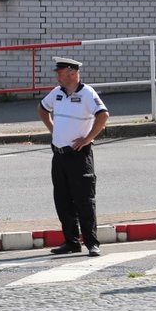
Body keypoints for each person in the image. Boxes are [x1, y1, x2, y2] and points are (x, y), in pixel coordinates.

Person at [38, 57, 109, 257]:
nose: (57, 76)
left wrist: (87, 139)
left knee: (84, 201)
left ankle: (92, 243)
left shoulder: (87, 93)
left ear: (72, 72)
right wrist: (53, 130)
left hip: (79, 156)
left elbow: (103, 115)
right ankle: (71, 242)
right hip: (59, 155)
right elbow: (42, 109)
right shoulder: (57, 92)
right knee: (62, 200)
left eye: (60, 72)